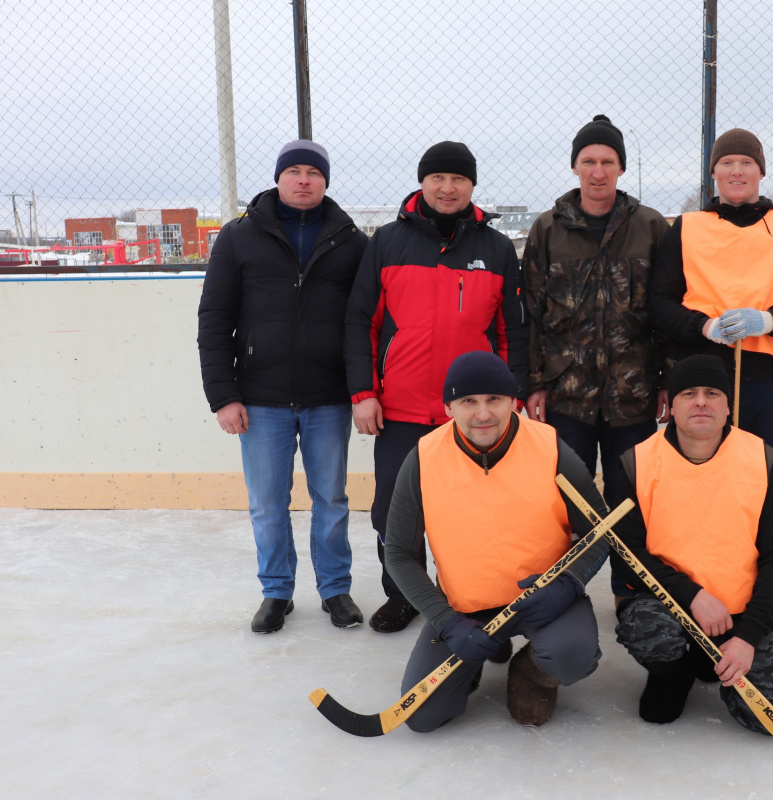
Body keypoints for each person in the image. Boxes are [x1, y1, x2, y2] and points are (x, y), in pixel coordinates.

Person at [344, 142, 528, 634]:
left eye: (459, 180)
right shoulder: (386, 242)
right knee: (393, 511)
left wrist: (514, 397)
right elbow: (361, 321)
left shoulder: (495, 248)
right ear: (422, 182)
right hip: (401, 408)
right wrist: (363, 393)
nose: (448, 188)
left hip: (476, 415)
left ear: (472, 186)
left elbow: (512, 329)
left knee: (476, 510)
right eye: (438, 178)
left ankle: (474, 594)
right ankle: (403, 596)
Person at [383, 351, 611, 730]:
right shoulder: (423, 457)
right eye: (468, 401)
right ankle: (469, 660)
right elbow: (399, 554)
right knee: (423, 717)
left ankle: (532, 670)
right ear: (448, 406)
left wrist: (568, 584)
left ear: (513, 401)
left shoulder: (550, 447)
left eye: (494, 399)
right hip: (465, 610)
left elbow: (599, 531)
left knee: (573, 656)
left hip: (544, 601)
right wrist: (446, 622)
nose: (483, 413)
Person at [198, 140, 368, 634]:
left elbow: (363, 322)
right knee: (268, 503)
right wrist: (223, 395)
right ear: (278, 178)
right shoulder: (238, 238)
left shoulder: (350, 241)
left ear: (325, 181)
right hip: (260, 399)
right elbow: (215, 318)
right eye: (293, 171)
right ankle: (276, 592)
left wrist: (360, 390)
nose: (302, 180)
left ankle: (335, 590)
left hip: (328, 396)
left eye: (313, 173)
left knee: (331, 500)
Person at [610, 355, 773, 730]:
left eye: (712, 393)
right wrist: (694, 596)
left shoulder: (761, 459)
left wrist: (749, 636)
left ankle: (716, 657)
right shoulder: (637, 462)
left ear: (728, 406)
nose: (701, 401)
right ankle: (674, 673)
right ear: (672, 405)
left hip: (739, 614)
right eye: (689, 393)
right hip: (671, 606)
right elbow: (628, 557)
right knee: (644, 628)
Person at [648, 128, 773, 480]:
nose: (737, 171)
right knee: (701, 477)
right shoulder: (686, 228)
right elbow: (659, 301)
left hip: (770, 379)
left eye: (747, 162)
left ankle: (766, 537)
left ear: (761, 171)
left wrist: (770, 321)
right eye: (727, 162)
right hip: (702, 374)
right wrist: (704, 326)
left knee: (767, 476)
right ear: (714, 172)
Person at [523, 114, 670, 517]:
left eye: (608, 162)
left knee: (633, 503)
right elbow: (532, 315)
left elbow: (668, 311)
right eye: (589, 161)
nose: (598, 172)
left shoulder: (651, 227)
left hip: (634, 398)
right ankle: (570, 581)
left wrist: (667, 380)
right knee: (566, 505)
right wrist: (533, 383)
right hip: (566, 400)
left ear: (622, 167)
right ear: (575, 166)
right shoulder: (547, 231)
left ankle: (630, 584)